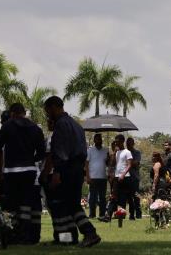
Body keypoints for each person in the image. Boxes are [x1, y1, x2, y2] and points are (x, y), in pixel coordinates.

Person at [43, 96, 101, 248]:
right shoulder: (76, 125)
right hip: (77, 169)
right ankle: (66, 238)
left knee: (68, 205)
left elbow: (61, 151)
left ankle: (89, 233)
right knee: (67, 205)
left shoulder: (61, 125)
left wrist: (57, 173)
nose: (48, 115)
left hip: (66, 169)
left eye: (48, 111)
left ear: (54, 107)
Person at [0, 103, 46, 245]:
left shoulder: (8, 126)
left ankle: (14, 235)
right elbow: (41, 153)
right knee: (26, 204)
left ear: (12, 113)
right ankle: (26, 236)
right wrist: (30, 159)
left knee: (13, 205)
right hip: (29, 171)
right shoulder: (35, 128)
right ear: (24, 112)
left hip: (11, 171)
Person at [101, 134, 133, 222]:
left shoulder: (127, 152)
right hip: (116, 176)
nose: (116, 142)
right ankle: (108, 216)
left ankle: (121, 215)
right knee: (113, 196)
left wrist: (123, 174)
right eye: (115, 141)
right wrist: (115, 152)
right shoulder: (117, 152)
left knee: (123, 197)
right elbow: (112, 164)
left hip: (125, 177)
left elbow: (130, 165)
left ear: (122, 141)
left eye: (118, 140)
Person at [86, 133, 108, 218]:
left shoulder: (106, 150)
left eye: (100, 138)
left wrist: (109, 158)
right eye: (97, 138)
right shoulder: (90, 150)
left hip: (103, 177)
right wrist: (87, 176)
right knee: (92, 198)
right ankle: (92, 214)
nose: (99, 140)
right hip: (93, 177)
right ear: (94, 140)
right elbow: (86, 164)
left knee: (102, 197)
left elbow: (108, 163)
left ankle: (102, 214)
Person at [125, 137, 143, 220]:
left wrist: (128, 162)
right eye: (127, 143)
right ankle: (131, 214)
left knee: (136, 196)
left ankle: (138, 214)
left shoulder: (137, 152)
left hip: (134, 177)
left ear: (133, 144)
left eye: (130, 143)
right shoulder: (124, 152)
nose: (128, 145)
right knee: (128, 197)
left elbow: (136, 163)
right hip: (126, 177)